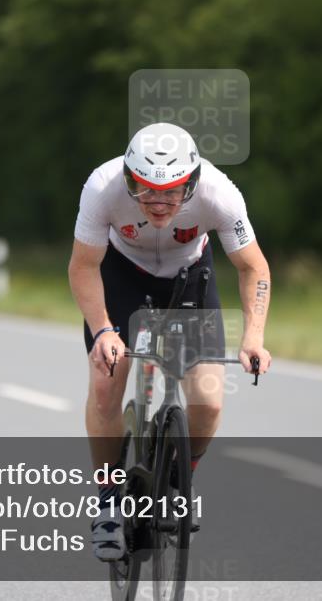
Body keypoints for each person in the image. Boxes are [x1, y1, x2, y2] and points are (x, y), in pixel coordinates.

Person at [68, 122, 272, 561]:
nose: (158, 203)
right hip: (121, 277)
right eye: (144, 190)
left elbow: (254, 268)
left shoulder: (220, 193)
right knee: (106, 384)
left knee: (210, 401)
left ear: (193, 183)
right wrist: (103, 330)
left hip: (190, 278)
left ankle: (181, 478)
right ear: (128, 180)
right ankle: (107, 500)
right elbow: (83, 266)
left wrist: (254, 337)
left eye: (173, 192)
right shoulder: (102, 187)